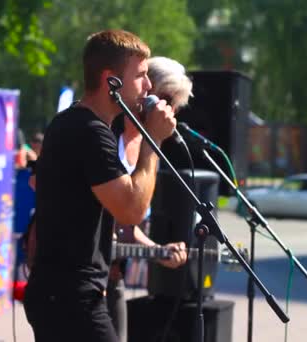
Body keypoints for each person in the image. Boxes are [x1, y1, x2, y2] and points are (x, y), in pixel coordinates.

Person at [22, 30, 184, 341]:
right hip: (70, 298)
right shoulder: (90, 132)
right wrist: (154, 142)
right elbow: (132, 210)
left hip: (64, 295)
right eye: (140, 75)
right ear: (111, 80)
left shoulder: (75, 123)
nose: (149, 86)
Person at [107, 56, 192, 342]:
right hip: (78, 281)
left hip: (112, 277)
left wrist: (158, 250)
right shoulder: (109, 132)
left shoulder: (145, 146)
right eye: (166, 100)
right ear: (145, 89)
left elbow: (125, 228)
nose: (170, 112)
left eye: (175, 106)